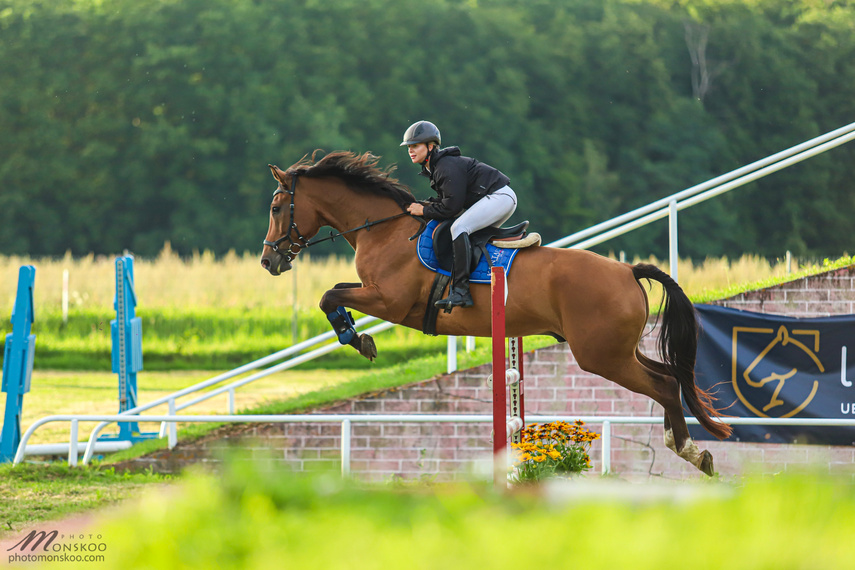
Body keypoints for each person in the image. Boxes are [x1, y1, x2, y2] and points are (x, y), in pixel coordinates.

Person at [402, 120, 517, 310]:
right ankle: (472, 284)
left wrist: (423, 210)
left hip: (499, 197)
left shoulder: (445, 166)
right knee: (468, 233)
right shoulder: (436, 167)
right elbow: (448, 202)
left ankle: (461, 292)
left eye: (415, 146)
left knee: (459, 227)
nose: (410, 150)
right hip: (498, 198)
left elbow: (451, 208)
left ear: (431, 147)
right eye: (409, 147)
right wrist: (427, 205)